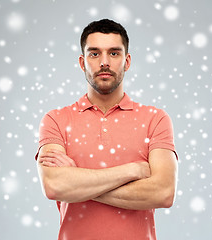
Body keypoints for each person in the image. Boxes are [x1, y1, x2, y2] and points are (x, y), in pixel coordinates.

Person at [35, 19, 178, 240]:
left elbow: (164, 193)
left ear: (127, 61)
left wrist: (79, 183)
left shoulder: (155, 119)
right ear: (82, 63)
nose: (104, 62)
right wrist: (133, 171)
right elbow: (55, 186)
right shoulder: (56, 120)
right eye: (94, 54)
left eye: (114, 53)